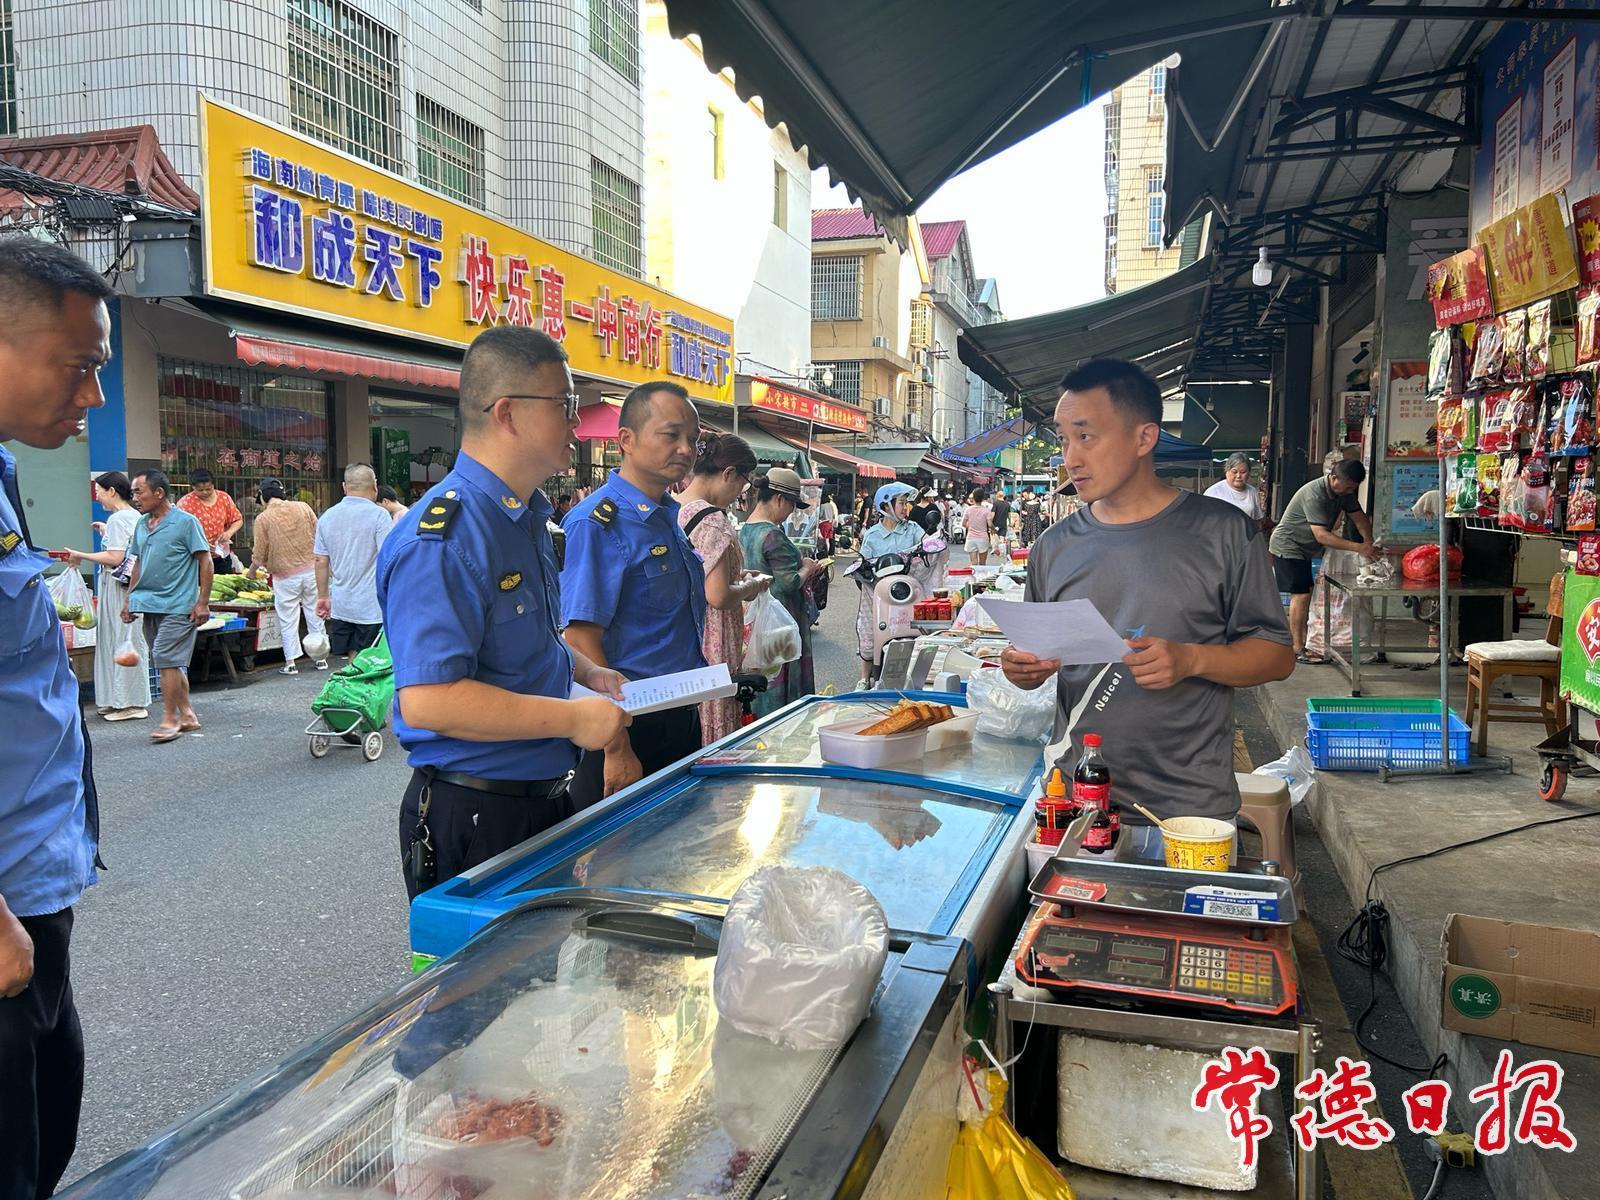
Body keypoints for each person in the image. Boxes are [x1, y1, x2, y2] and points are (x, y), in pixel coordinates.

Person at [1000, 358, 1292, 853]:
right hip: (1077, 803)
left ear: (1144, 438)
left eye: (1086, 437)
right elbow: (1037, 656)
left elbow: (1277, 656)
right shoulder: (1053, 546)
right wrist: (1022, 668)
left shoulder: (1223, 533)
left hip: (1189, 811)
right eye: (1064, 440)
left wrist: (1192, 659)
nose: (1071, 458)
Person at [377, 326, 628, 899]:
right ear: (508, 413)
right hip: (477, 813)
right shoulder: (444, 537)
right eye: (565, 404)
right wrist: (573, 720)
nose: (576, 422)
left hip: (542, 799)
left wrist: (586, 672)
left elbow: (526, 637)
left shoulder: (523, 518)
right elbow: (430, 700)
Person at [0, 238, 111, 1200]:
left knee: (42, 1136)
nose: (94, 396)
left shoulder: (2, 472)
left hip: (33, 888)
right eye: (77, 367)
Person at [562, 380, 707, 809]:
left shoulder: (667, 516)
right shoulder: (597, 523)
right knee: (617, 849)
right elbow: (580, 638)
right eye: (671, 435)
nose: (685, 449)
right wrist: (616, 744)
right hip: (628, 727)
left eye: (693, 439)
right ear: (626, 440)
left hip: (680, 713)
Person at [677, 431, 769, 743]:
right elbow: (717, 595)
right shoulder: (713, 520)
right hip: (713, 642)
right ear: (729, 473)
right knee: (714, 729)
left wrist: (737, 573)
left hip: (685, 638)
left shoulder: (673, 509)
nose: (741, 493)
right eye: (744, 483)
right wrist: (752, 585)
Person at [123, 470, 211, 743]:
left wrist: (202, 602)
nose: (135, 498)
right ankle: (187, 715)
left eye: (139, 492)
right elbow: (138, 563)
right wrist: (129, 599)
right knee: (168, 662)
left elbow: (205, 561)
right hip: (150, 603)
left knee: (165, 657)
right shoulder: (142, 524)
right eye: (133, 493)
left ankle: (170, 719)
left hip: (179, 605)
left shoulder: (186, 522)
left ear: (159, 493)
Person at [1268, 458, 1377, 663]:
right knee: (1301, 595)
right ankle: (1297, 647)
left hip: (1306, 548)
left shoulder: (1344, 493)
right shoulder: (1315, 494)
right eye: (1347, 487)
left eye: (1353, 488)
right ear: (1333, 478)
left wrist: (1368, 541)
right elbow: (1322, 536)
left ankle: (1305, 642)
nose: (1349, 492)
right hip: (1288, 545)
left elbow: (1359, 518)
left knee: (1306, 593)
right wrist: (1358, 547)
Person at [64, 471, 151, 721]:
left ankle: (130, 703)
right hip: (126, 585)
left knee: (119, 639)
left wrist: (80, 555)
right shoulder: (131, 516)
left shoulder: (118, 518)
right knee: (124, 640)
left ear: (112, 491)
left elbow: (115, 557)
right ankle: (118, 699)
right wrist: (105, 532)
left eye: (99, 492)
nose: (98, 497)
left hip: (118, 587)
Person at [740, 468, 826, 715]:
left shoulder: (746, 529)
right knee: (782, 678)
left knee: (762, 672)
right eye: (792, 505)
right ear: (779, 499)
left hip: (756, 617)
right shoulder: (772, 535)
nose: (791, 512)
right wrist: (808, 567)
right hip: (782, 619)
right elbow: (789, 582)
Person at [314, 463, 395, 657]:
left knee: (352, 655)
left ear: (344, 486)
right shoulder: (379, 515)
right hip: (371, 605)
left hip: (342, 603)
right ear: (374, 485)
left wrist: (323, 596)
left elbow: (320, 561)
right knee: (371, 658)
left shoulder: (327, 517)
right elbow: (389, 557)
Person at [249, 477, 326, 674]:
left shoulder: (263, 519)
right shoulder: (303, 507)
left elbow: (260, 553)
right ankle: (321, 658)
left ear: (263, 496)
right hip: (311, 570)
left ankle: (291, 662)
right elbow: (319, 534)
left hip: (284, 576)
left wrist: (251, 571)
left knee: (288, 618)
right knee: (314, 613)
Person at [855, 480, 924, 681]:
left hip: (908, 594)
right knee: (869, 630)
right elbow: (862, 563)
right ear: (886, 506)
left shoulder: (913, 529)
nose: (906, 508)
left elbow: (928, 547)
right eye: (901, 503)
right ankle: (865, 678)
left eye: (906, 503)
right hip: (880, 594)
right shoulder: (872, 535)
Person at [177, 467, 243, 575]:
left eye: (208, 489)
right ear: (193, 487)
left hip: (221, 555)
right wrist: (200, 543)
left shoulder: (224, 498)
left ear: (213, 485)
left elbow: (237, 519)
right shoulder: (185, 503)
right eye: (200, 490)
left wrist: (228, 533)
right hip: (197, 557)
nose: (205, 492)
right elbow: (179, 531)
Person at [1204, 453, 1266, 524]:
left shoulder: (1253, 492)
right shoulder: (1213, 492)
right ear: (1226, 471)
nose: (1238, 476)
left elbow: (1258, 520)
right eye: (1234, 472)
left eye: (1243, 472)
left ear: (1249, 473)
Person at [963, 486, 993, 563]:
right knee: (982, 563)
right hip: (983, 538)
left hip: (971, 538)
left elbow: (963, 524)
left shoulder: (968, 510)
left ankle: (974, 571)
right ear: (983, 498)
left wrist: (971, 527)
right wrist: (994, 529)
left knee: (974, 563)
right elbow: (990, 524)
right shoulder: (986, 511)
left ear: (973, 498)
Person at [990, 489, 1013, 560]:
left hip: (995, 523)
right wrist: (1010, 522)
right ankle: (1002, 551)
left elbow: (993, 514)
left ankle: (995, 549)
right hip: (1003, 523)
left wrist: (990, 522)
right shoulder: (1007, 504)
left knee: (994, 536)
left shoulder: (995, 503)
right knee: (1002, 537)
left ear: (997, 496)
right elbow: (1009, 514)